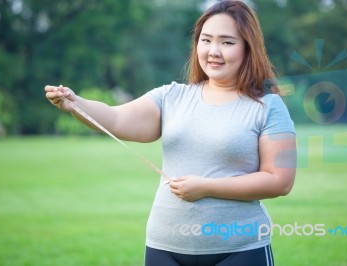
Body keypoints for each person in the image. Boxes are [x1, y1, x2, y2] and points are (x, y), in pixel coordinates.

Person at [45, 1, 296, 265]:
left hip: (240, 249)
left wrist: (207, 187)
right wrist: (75, 103)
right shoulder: (171, 96)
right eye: (206, 40)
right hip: (165, 248)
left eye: (227, 42)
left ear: (248, 47)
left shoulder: (269, 106)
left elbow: (280, 180)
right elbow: (116, 117)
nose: (213, 51)